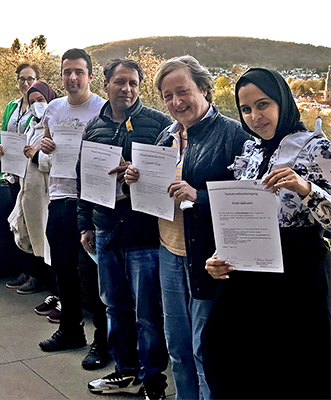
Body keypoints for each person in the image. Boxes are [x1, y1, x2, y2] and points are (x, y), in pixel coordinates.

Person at [124, 55, 250, 400]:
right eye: (167, 96)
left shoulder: (233, 135)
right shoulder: (167, 135)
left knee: (204, 351)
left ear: (205, 90)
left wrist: (201, 196)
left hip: (208, 258)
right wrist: (136, 179)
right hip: (169, 250)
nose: (176, 102)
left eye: (183, 91)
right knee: (176, 346)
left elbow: (248, 200)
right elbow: (158, 187)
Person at [204, 68, 331, 400]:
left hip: (296, 280)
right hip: (248, 277)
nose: (255, 117)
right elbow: (241, 218)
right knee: (224, 357)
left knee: (291, 374)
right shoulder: (252, 150)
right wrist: (221, 256)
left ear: (282, 102)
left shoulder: (315, 147)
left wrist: (304, 188)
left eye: (263, 105)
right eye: (246, 109)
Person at [80, 59, 172, 398]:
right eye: (120, 82)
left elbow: (173, 174)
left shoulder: (160, 125)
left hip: (144, 234)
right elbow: (82, 180)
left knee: (148, 314)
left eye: (133, 83)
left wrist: (139, 172)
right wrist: (85, 225)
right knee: (114, 306)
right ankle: (126, 373)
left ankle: (153, 382)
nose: (127, 89)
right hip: (104, 230)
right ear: (106, 84)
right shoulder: (93, 127)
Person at [37, 49, 109, 369]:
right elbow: (45, 145)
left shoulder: (103, 109)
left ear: (90, 75)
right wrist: (45, 145)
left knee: (94, 276)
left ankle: (103, 342)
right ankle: (71, 331)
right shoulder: (53, 108)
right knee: (63, 271)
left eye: (79, 71)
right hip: (59, 197)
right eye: (67, 72)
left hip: (91, 201)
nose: (73, 78)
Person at [0, 81, 57, 296]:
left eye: (40, 100)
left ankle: (49, 288)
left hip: (46, 191)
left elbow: (57, 162)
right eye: (32, 102)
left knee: (44, 239)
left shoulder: (56, 124)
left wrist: (36, 156)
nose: (36, 105)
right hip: (27, 186)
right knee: (27, 233)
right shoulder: (33, 123)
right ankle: (32, 274)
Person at [2, 63, 43, 291]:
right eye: (22, 79)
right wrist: (0, 148)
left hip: (30, 173)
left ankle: (36, 275)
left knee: (32, 222)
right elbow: (4, 133)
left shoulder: (42, 108)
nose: (25, 83)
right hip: (12, 172)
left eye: (30, 79)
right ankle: (24, 270)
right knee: (17, 222)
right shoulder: (12, 106)